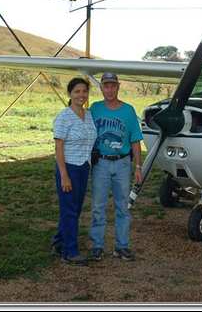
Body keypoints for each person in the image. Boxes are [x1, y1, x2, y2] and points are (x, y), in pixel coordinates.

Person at [89, 72, 143, 262]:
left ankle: (122, 246)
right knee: (98, 206)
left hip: (122, 163)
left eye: (113, 86)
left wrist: (137, 166)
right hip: (101, 163)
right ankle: (97, 246)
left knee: (123, 206)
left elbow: (135, 140)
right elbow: (85, 132)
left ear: (118, 87)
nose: (109, 89)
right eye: (106, 86)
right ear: (101, 88)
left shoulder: (128, 110)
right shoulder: (94, 109)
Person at [51, 77, 97, 266]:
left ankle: (59, 242)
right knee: (69, 211)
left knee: (74, 210)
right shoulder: (64, 117)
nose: (81, 95)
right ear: (70, 94)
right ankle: (70, 251)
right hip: (68, 167)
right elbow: (58, 148)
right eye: (77, 91)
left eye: (84, 91)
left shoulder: (88, 115)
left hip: (83, 167)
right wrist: (64, 175)